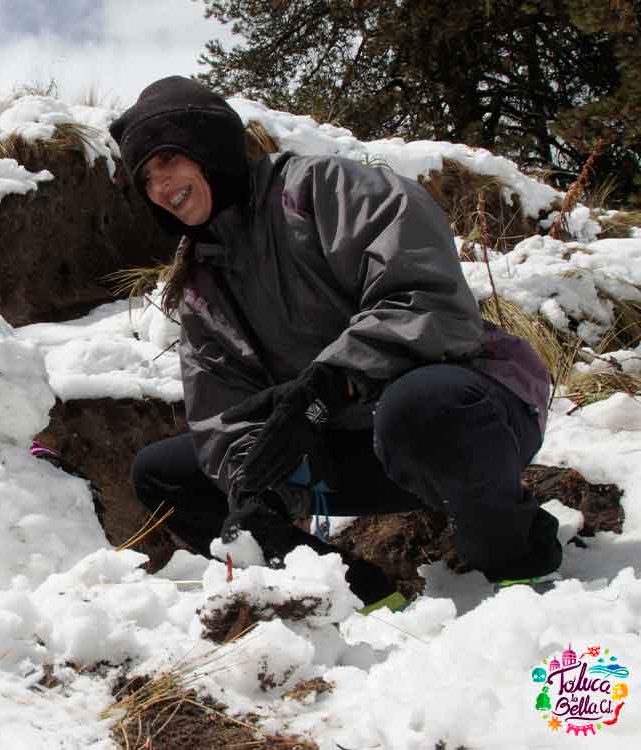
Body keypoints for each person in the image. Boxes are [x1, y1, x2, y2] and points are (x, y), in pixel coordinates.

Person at [111, 76, 560, 606]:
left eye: (167, 161)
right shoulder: (201, 288)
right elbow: (221, 413)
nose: (161, 187)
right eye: (146, 179)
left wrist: (329, 387)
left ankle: (516, 565)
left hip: (470, 417)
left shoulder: (324, 190)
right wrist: (254, 487)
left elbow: (427, 302)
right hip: (351, 448)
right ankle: (357, 594)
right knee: (165, 477)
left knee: (419, 406)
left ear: (205, 146)